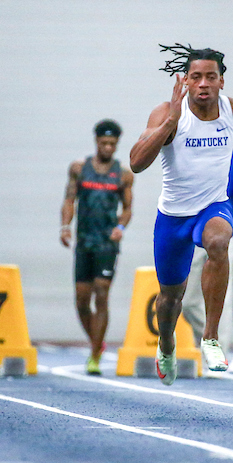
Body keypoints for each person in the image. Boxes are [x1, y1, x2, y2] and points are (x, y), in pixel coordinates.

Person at [130, 43, 233, 385]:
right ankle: (166, 342)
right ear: (185, 82)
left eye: (211, 77)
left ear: (221, 81)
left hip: (212, 206)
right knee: (170, 298)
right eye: (196, 77)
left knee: (219, 242)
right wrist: (169, 126)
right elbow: (135, 163)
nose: (203, 84)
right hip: (173, 216)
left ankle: (211, 338)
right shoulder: (165, 112)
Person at [60, 119, 134, 375]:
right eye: (104, 143)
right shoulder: (79, 169)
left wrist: (120, 228)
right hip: (84, 242)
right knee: (82, 300)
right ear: (96, 142)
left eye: (112, 144)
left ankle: (94, 355)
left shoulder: (123, 175)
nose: (108, 147)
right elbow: (69, 200)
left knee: (101, 293)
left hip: (107, 243)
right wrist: (65, 226)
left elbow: (127, 209)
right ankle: (96, 340)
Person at [182, 150, 233, 368]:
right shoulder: (193, 156)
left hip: (226, 237)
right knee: (188, 303)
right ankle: (208, 342)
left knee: (220, 298)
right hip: (195, 235)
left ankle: (219, 351)